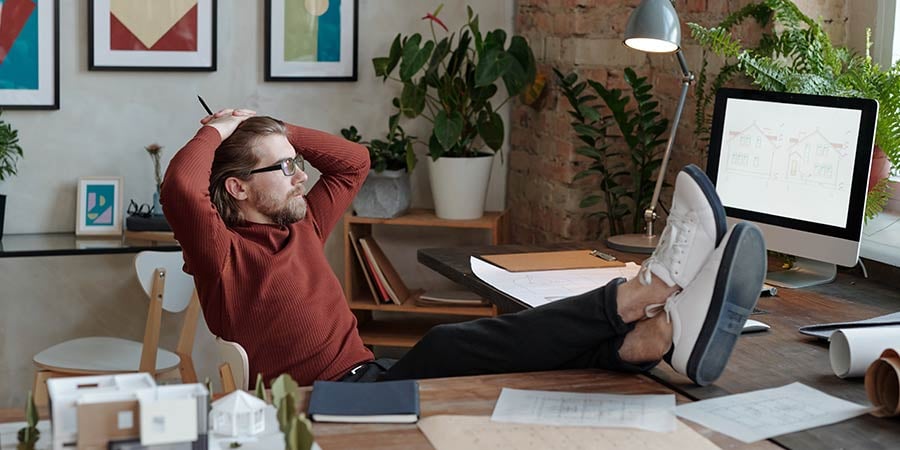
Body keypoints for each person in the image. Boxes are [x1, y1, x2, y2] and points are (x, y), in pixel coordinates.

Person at [160, 109, 765, 387]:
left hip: (368, 378)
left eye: (295, 165)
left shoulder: (299, 229)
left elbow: (353, 164)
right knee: (454, 341)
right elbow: (181, 185)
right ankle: (644, 295)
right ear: (237, 187)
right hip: (332, 400)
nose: (299, 175)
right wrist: (215, 132)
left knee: (499, 352)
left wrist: (278, 132)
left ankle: (644, 340)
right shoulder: (223, 256)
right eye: (282, 169)